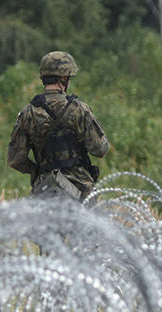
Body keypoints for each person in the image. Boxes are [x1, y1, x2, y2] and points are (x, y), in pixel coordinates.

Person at [7, 51, 110, 201]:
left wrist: (38, 171)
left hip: (45, 189)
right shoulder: (80, 109)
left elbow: (15, 159)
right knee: (97, 223)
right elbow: (100, 149)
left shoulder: (27, 113)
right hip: (80, 191)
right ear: (64, 78)